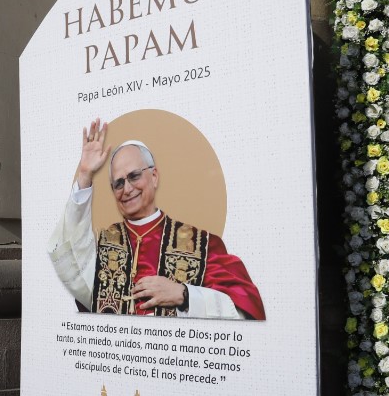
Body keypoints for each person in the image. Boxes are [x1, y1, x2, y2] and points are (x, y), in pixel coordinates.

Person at [48, 119, 265, 319]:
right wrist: (85, 174)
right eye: (119, 183)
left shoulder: (201, 245)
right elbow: (73, 266)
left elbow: (245, 308)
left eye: (134, 176)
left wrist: (185, 294)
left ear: (154, 176)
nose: (128, 189)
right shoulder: (102, 245)